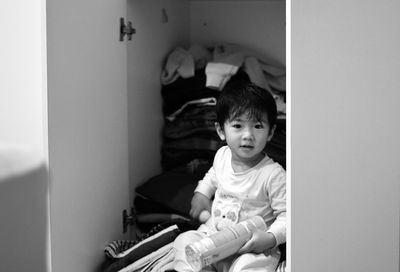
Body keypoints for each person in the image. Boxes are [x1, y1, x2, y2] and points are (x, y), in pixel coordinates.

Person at [173, 80, 286, 272]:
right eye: (238, 125)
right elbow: (212, 176)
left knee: (251, 266)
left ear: (271, 132)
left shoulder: (273, 174)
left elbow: (287, 216)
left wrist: (270, 238)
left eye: (258, 126)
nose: (248, 135)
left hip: (250, 247)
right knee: (184, 242)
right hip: (214, 237)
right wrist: (201, 193)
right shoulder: (222, 155)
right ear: (220, 130)